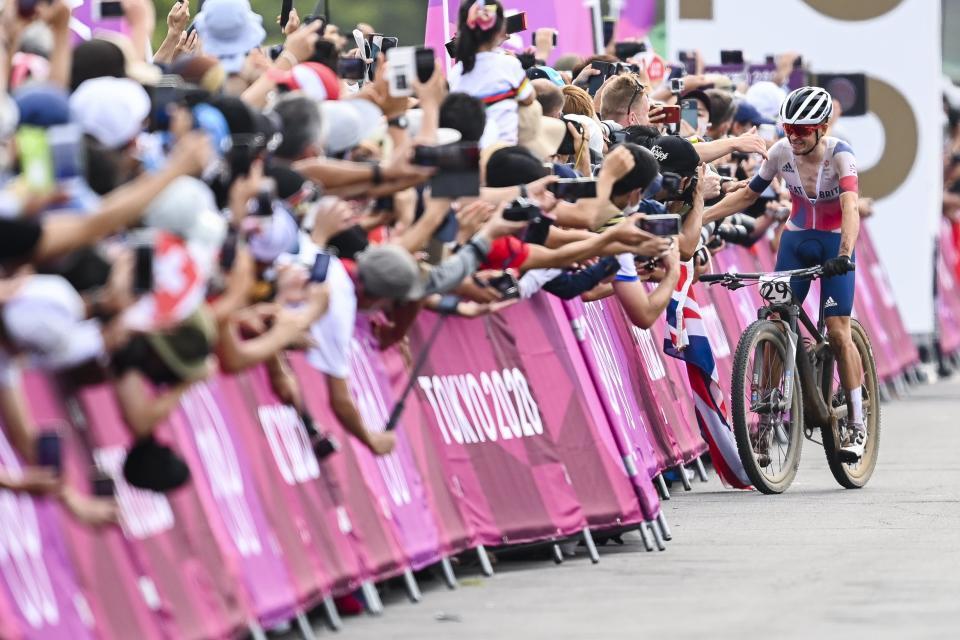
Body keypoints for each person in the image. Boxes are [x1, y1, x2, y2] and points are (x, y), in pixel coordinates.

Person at [705, 86, 866, 460]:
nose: (793, 136)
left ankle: (856, 423)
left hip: (832, 243)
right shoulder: (780, 152)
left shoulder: (841, 155)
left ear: (822, 128)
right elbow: (748, 194)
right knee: (778, 319)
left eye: (802, 131)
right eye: (788, 127)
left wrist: (843, 254)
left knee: (840, 332)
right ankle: (764, 423)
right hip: (795, 242)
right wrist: (701, 220)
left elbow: (851, 209)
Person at [448, 0, 535, 144]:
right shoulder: (509, 64)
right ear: (501, 30)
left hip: (472, 154)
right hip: (504, 153)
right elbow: (529, 98)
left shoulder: (455, 73)